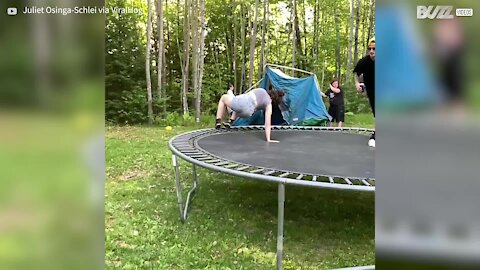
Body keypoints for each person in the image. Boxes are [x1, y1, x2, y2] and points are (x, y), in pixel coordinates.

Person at [215, 85, 285, 143]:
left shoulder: (261, 90)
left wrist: (230, 90)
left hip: (242, 103)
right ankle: (231, 121)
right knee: (237, 106)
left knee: (223, 98)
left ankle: (218, 121)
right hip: (248, 113)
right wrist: (268, 139)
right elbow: (267, 123)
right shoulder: (268, 104)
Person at [353, 37, 375, 147]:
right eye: (369, 49)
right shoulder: (364, 62)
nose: (371, 51)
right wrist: (357, 83)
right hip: (371, 89)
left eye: (374, 49)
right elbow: (356, 73)